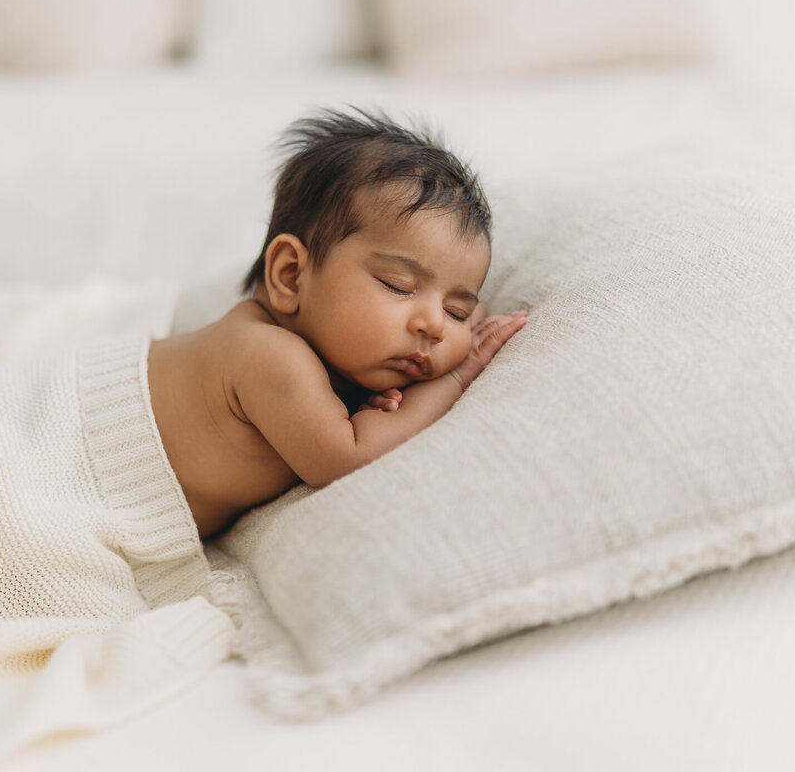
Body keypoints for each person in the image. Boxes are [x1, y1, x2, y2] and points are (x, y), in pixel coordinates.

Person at [149, 109, 528, 537]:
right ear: (290, 276)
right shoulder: (266, 354)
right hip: (82, 456)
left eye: (457, 311)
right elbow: (347, 458)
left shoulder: (335, 357)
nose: (435, 325)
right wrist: (456, 375)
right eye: (398, 285)